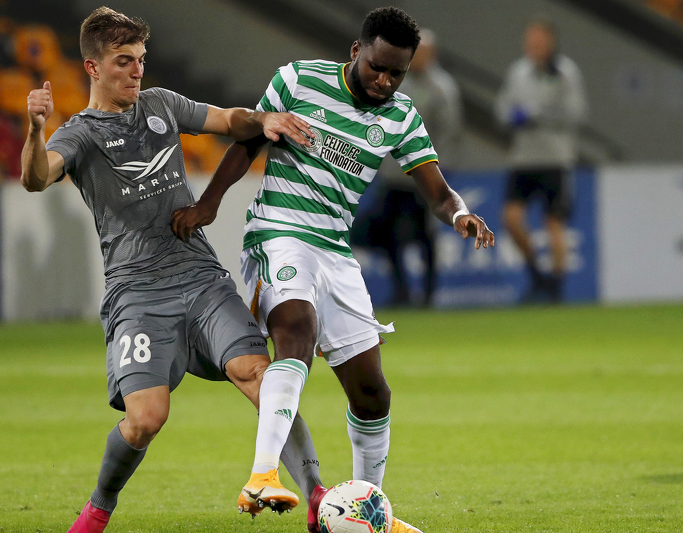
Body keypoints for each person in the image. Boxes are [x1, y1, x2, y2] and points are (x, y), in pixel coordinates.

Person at [170, 7, 494, 533]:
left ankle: (370, 510)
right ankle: (262, 474)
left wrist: (458, 213)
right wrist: (210, 204)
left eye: (397, 73)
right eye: (377, 68)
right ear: (356, 52)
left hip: (334, 251)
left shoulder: (401, 116)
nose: (385, 81)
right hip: (278, 231)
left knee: (372, 392)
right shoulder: (298, 80)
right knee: (295, 330)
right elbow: (249, 140)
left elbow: (435, 190)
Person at [20, 7, 323, 533]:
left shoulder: (159, 104)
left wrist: (265, 119)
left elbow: (228, 120)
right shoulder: (81, 134)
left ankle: (317, 497)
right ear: (93, 69)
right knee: (145, 420)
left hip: (201, 279)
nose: (137, 71)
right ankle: (98, 509)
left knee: (264, 378)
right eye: (123, 61)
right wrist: (35, 127)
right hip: (137, 294)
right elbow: (36, 178)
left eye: (140, 59)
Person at [360, 28, 463, 306]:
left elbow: (449, 132)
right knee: (385, 234)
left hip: (423, 175)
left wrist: (440, 172)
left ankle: (428, 294)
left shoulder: (443, 87)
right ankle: (402, 290)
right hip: (394, 175)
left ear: (433, 55)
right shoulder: (397, 82)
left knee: (424, 235)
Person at [494, 16, 587, 303]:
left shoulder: (565, 72)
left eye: (538, 40)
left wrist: (538, 115)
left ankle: (556, 286)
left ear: (550, 41)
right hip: (523, 158)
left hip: (555, 158)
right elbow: (501, 110)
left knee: (554, 224)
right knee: (510, 219)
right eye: (530, 40)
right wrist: (514, 117)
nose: (533, 45)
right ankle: (537, 275)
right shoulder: (518, 72)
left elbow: (576, 114)